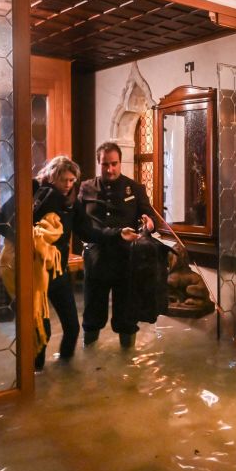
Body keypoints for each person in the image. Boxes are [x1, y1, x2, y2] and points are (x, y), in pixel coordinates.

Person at [0, 156, 138, 369]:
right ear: (52, 176)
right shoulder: (33, 191)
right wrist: (29, 240)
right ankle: (36, 377)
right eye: (64, 180)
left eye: (72, 181)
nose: (68, 185)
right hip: (33, 271)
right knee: (41, 331)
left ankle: (66, 376)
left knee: (72, 327)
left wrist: (118, 234)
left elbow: (87, 231)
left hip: (57, 270)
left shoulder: (72, 202)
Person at [80, 141, 155, 349]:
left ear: (120, 163)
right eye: (105, 164)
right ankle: (89, 359)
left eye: (114, 164)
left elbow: (148, 214)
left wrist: (150, 222)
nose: (110, 169)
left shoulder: (136, 188)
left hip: (126, 260)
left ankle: (127, 363)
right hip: (96, 259)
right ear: (99, 163)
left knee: (126, 315)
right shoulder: (86, 188)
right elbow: (78, 222)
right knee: (92, 312)